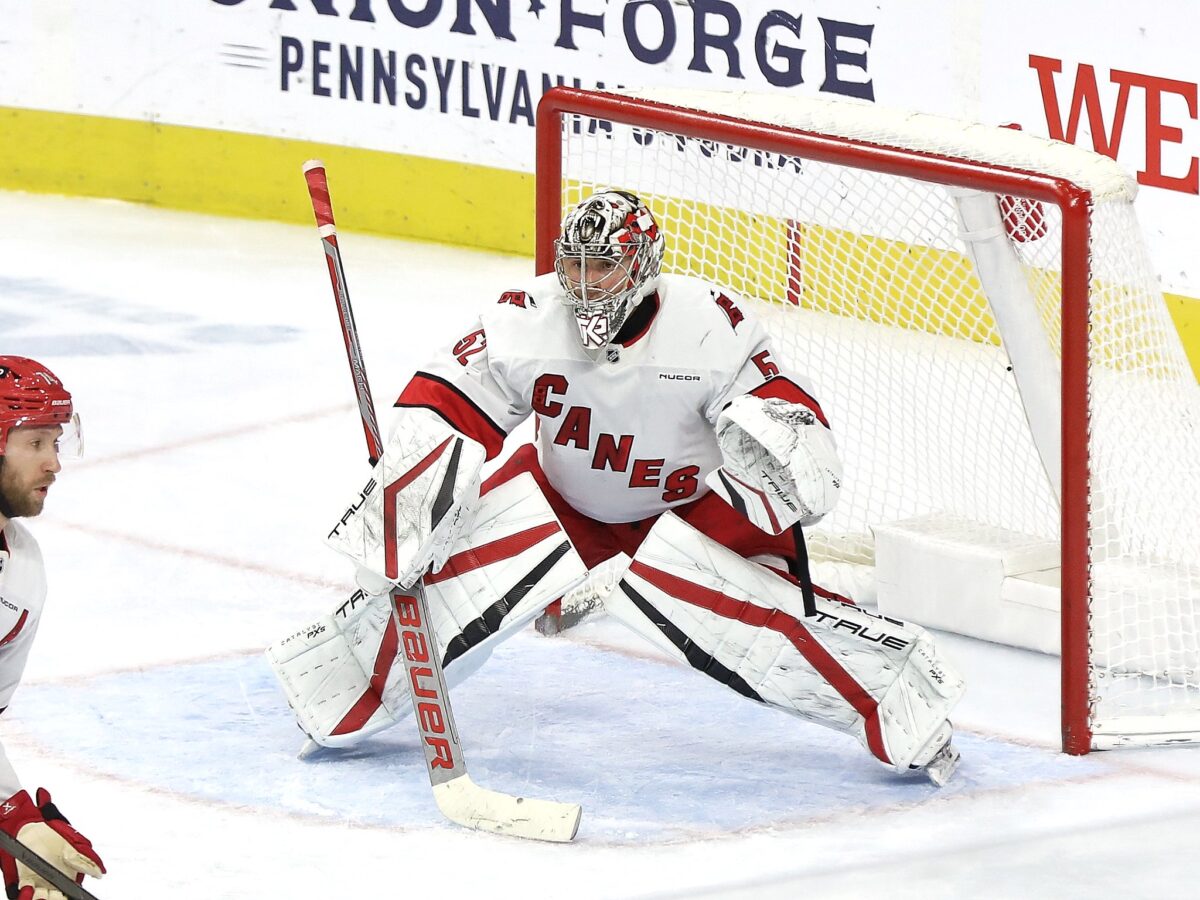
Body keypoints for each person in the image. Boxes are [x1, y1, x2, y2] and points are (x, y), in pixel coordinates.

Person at [270, 191, 964, 785]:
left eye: (601, 266)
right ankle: (339, 691)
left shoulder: (708, 327)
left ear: (641, 267)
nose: (583, 282)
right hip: (563, 504)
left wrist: (784, 445)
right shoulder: (528, 316)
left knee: (763, 636)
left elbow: (777, 411)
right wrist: (410, 497)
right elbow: (447, 402)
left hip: (686, 515)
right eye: (572, 263)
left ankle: (904, 704)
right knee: (443, 592)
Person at [0, 358, 105, 898]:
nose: (54, 464)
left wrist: (13, 811)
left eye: (57, 443)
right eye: (36, 443)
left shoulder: (22, 569)